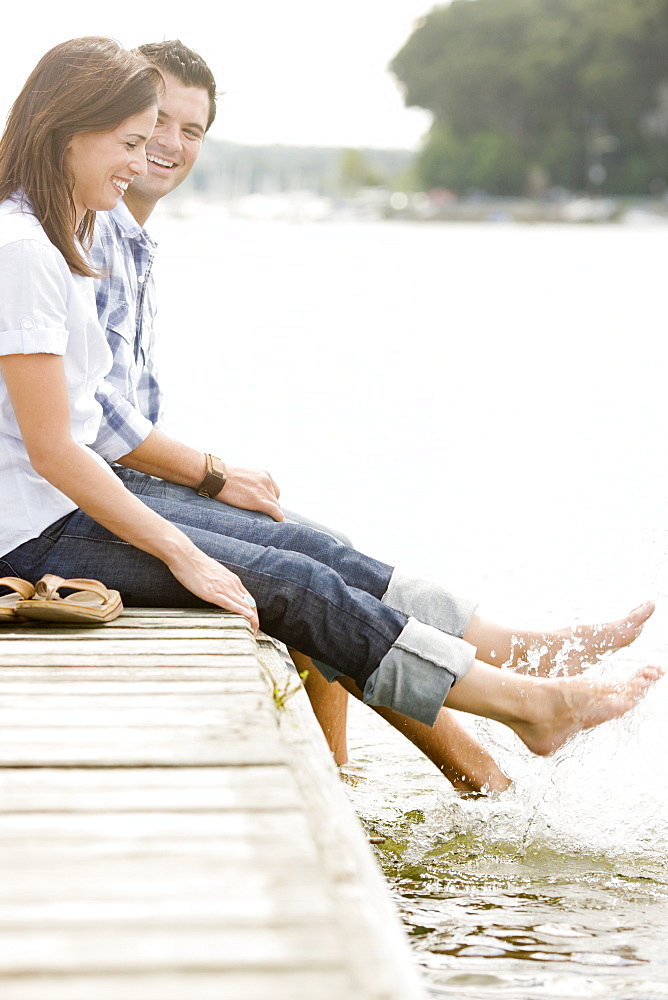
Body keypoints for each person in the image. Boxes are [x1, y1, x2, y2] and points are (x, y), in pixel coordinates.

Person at [0, 37, 662, 782]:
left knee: (309, 564)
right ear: (65, 132)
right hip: (32, 532)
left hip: (54, 512)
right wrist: (182, 551)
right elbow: (58, 448)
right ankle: (527, 707)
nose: (142, 156)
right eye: (128, 141)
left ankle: (502, 713)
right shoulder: (25, 247)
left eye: (167, 135)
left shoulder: (53, 237)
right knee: (295, 585)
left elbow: (71, 428)